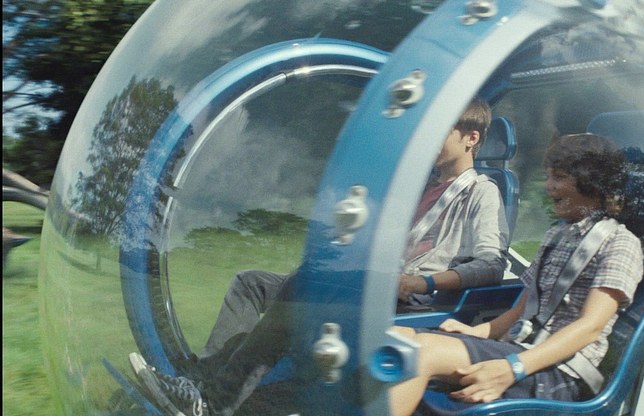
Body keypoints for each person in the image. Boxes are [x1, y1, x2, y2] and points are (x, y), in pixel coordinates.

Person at [129, 98, 510, 416]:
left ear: (471, 138)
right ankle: (199, 383)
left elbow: (491, 264)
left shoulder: (481, 192)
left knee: (300, 288)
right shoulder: (420, 187)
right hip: (368, 283)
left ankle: (213, 404)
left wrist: (422, 282)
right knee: (251, 283)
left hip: (405, 300)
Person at [386, 132, 644, 415]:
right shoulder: (558, 235)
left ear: (592, 183)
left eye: (558, 178)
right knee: (392, 338)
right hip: (521, 350)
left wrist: (513, 368)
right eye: (548, 177)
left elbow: (590, 327)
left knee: (416, 354)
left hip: (558, 372)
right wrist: (479, 331)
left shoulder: (620, 243)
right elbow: (524, 305)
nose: (548, 186)